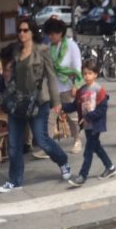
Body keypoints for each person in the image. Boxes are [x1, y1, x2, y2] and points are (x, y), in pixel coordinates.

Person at [0, 20, 69, 193]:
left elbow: (51, 76)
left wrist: (56, 102)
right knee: (14, 144)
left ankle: (63, 161)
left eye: (25, 30)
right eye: (19, 30)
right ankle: (15, 180)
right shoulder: (16, 50)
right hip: (17, 101)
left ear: (32, 32)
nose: (21, 33)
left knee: (42, 140)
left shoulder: (42, 50)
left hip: (37, 101)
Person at [65, 58, 115, 187]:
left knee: (88, 151)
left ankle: (83, 175)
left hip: (95, 125)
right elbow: (75, 106)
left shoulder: (99, 90)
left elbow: (102, 110)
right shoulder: (81, 90)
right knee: (96, 147)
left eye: (90, 73)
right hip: (87, 125)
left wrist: (89, 116)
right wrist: (61, 107)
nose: (87, 76)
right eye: (85, 73)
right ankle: (110, 167)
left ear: (96, 74)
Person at [42, 17, 83, 156]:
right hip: (53, 87)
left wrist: (76, 85)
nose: (50, 37)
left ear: (60, 33)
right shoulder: (49, 47)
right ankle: (47, 145)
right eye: (48, 34)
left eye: (52, 34)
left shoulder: (71, 45)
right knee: (50, 117)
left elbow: (77, 66)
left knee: (72, 117)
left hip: (68, 85)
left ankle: (77, 140)